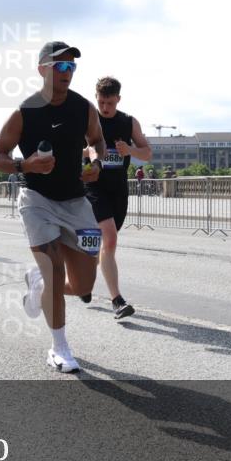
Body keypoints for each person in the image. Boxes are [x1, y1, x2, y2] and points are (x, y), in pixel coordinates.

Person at [0, 41, 105, 373]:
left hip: (76, 201)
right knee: (54, 269)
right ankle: (60, 348)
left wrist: (96, 161)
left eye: (72, 67)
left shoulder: (83, 108)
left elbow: (97, 141)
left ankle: (38, 286)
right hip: (37, 200)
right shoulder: (24, 112)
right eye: (60, 66)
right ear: (42, 69)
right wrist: (26, 166)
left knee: (84, 285)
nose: (67, 72)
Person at [85, 76, 152, 319]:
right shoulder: (88, 119)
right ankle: (117, 300)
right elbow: (71, 150)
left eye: (110, 103)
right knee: (110, 240)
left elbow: (147, 153)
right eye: (101, 102)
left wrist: (130, 150)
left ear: (118, 100)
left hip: (119, 189)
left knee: (103, 246)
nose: (105, 108)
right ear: (96, 98)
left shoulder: (129, 122)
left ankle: (83, 282)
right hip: (94, 187)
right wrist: (91, 152)